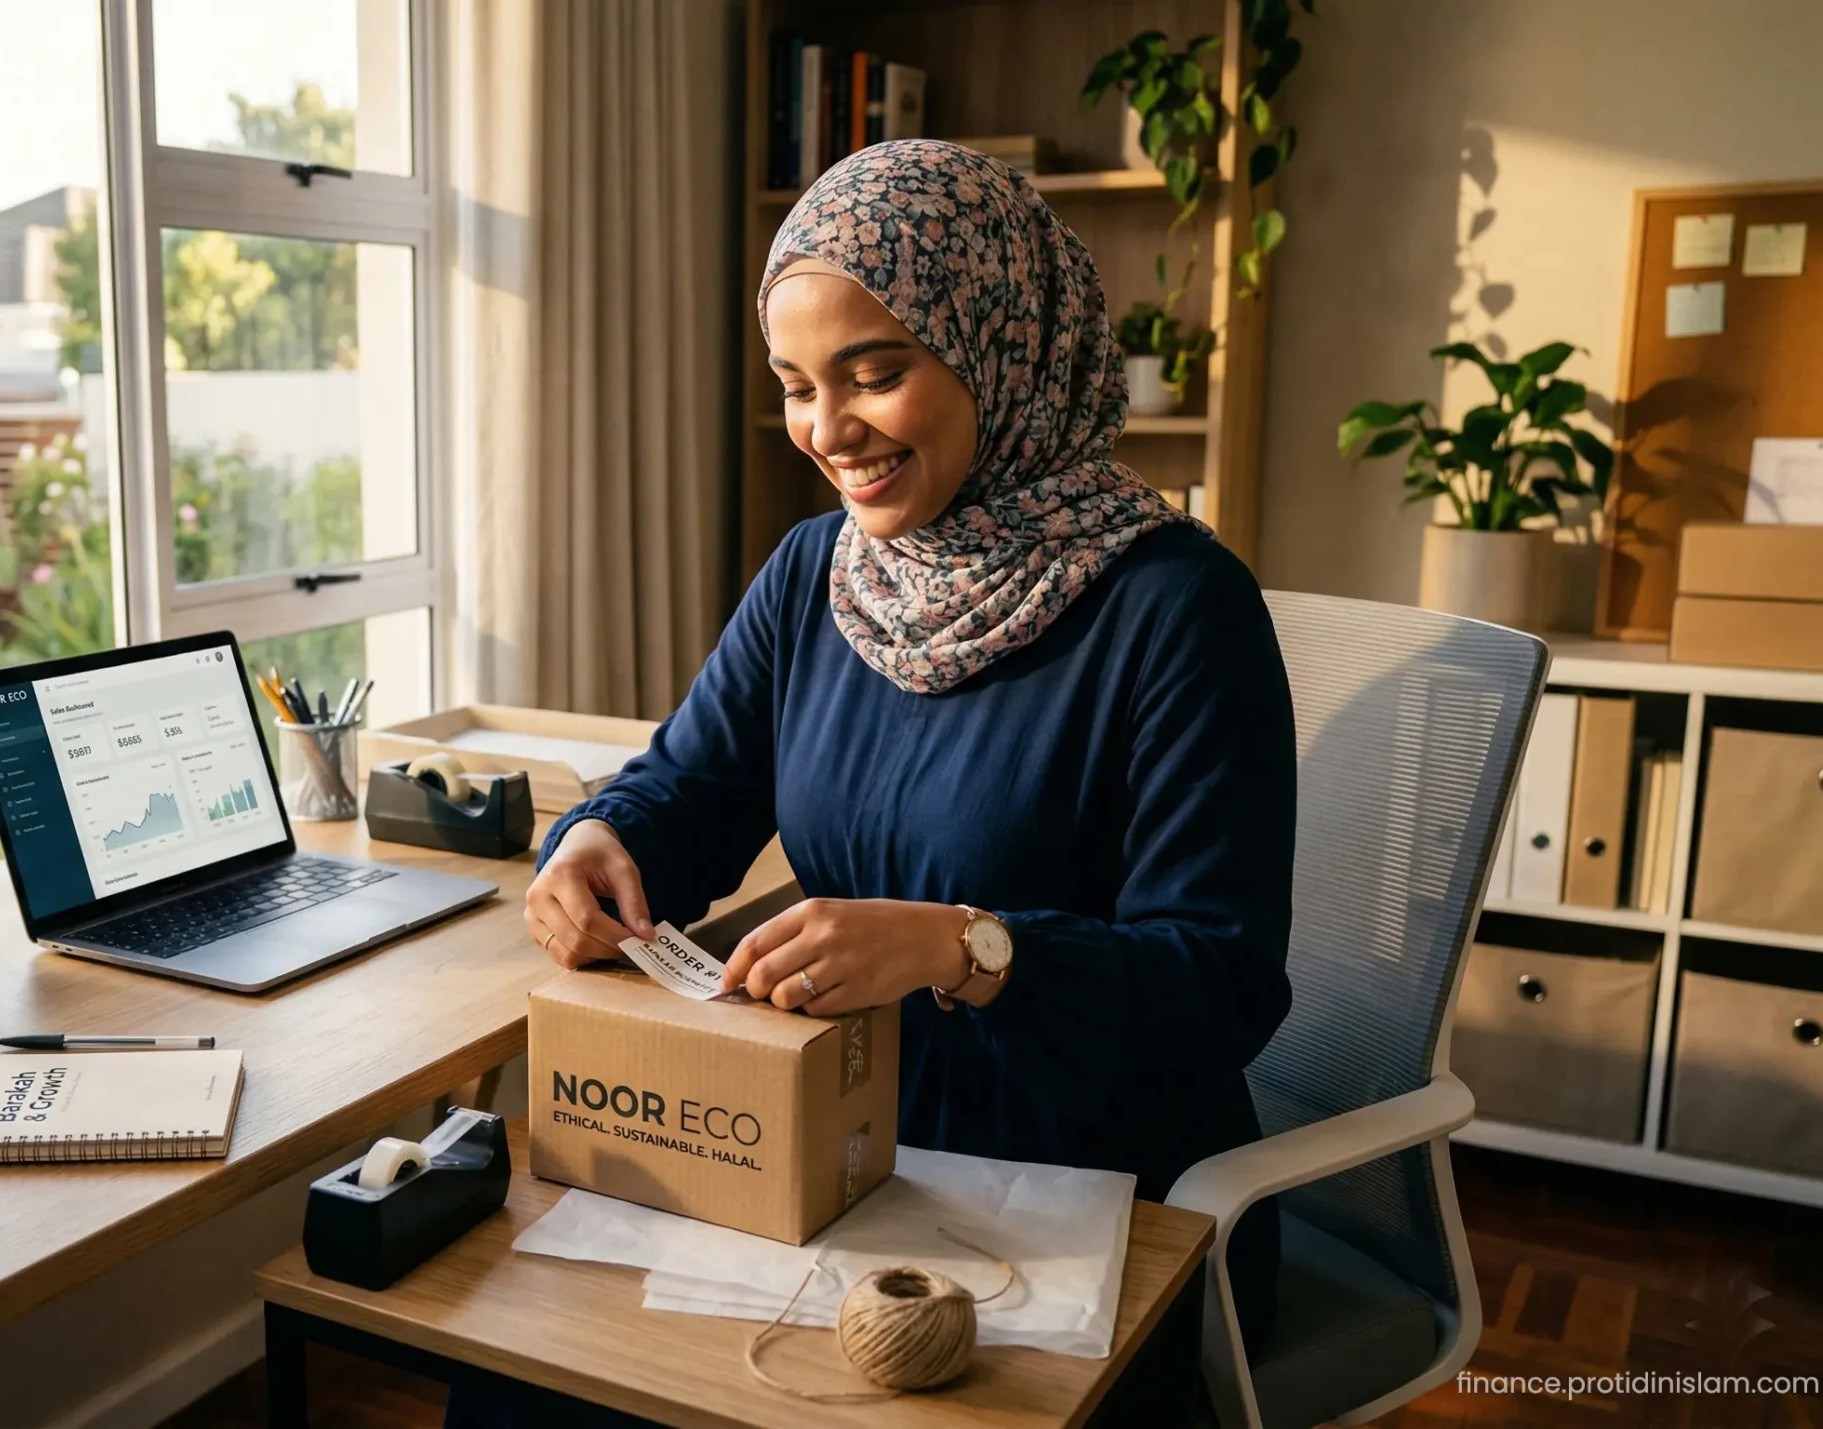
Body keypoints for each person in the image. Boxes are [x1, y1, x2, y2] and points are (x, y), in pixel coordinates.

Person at [524, 138, 1297, 1342]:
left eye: (873, 374)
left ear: (1004, 343)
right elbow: (691, 788)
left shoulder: (1179, 609)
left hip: (1082, 1182)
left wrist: (963, 949)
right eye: (793, 383)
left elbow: (1221, 990)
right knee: (546, 1366)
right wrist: (594, 844)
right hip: (831, 1133)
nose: (827, 429)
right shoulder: (812, 576)